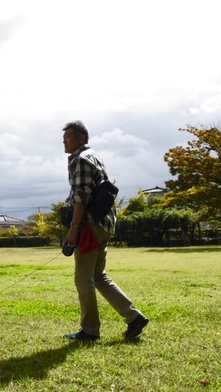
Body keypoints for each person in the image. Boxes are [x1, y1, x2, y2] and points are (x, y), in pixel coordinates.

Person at [61, 120, 148, 341]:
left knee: (84, 279)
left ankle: (89, 331)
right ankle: (134, 317)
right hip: (105, 224)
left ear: (81, 138)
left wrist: (73, 229)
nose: (64, 141)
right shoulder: (94, 156)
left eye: (68, 137)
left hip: (89, 226)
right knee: (98, 276)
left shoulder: (81, 159)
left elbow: (81, 197)